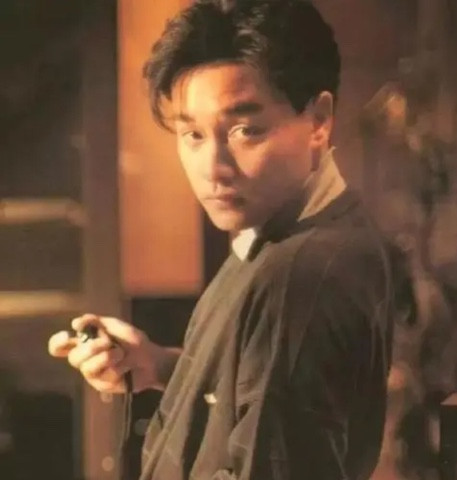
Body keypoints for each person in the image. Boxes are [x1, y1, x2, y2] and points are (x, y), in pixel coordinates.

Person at [49, 1, 397, 478]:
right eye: (192, 133)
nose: (212, 168)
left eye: (244, 130)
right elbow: (258, 391)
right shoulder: (283, 233)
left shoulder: (296, 276)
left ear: (318, 120)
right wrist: (161, 365)